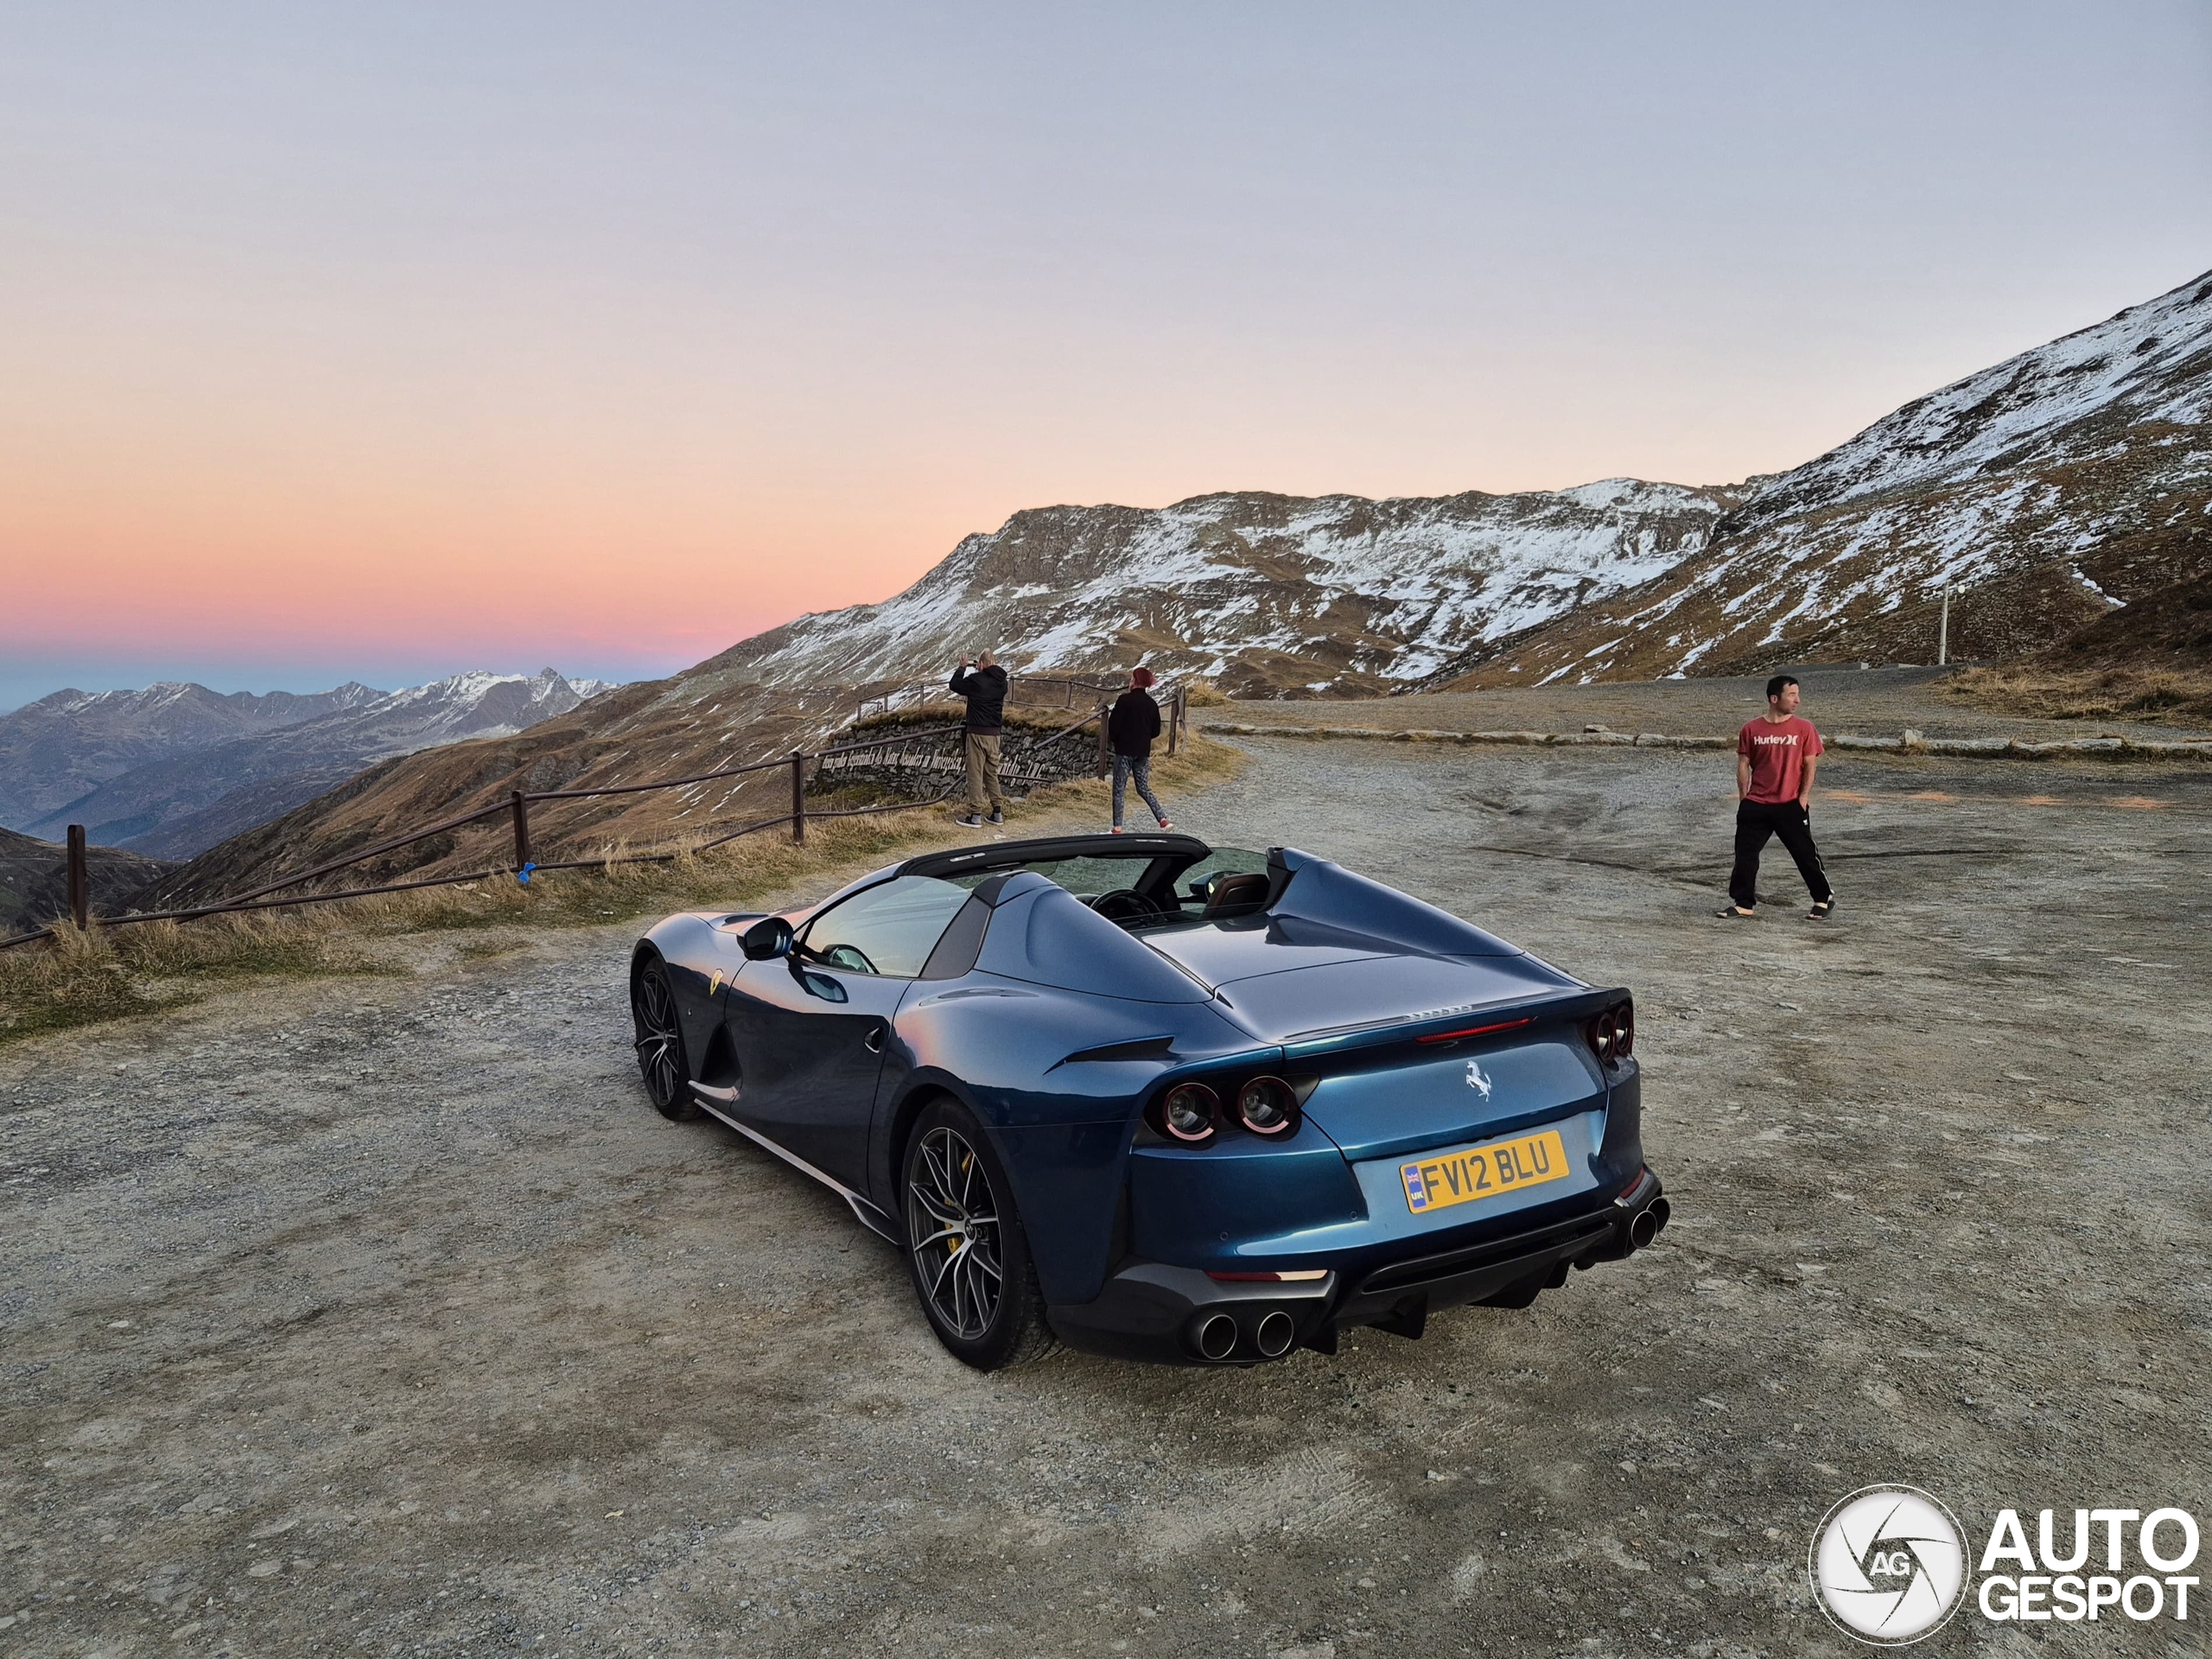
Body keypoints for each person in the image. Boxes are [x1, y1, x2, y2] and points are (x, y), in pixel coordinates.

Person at [1719, 674, 1834, 920]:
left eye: (1797, 694)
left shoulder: (1805, 728)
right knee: (1745, 856)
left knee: (1805, 855)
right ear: (1774, 698)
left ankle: (1823, 899)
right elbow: (1744, 763)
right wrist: (1744, 799)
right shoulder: (1751, 728)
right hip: (1756, 804)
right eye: (1791, 695)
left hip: (1790, 804)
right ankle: (1743, 903)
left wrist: (1803, 797)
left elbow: (1809, 765)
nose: (1797, 700)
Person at [1107, 667, 1173, 835]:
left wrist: (1116, 740)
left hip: (1124, 751)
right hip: (1143, 752)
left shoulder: (1124, 700)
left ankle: (1117, 828)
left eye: (1131, 679)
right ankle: (1163, 820)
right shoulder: (1152, 704)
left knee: (1119, 789)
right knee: (1143, 788)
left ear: (1135, 681)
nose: (1130, 682)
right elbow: (1156, 731)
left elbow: (1113, 726)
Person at [950, 651, 1009, 827]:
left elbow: (955, 685)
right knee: (991, 773)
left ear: (981, 664)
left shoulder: (976, 680)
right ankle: (997, 812)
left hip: (977, 732)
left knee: (975, 773)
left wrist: (962, 667)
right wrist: (982, 670)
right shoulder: (1002, 683)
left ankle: (975, 815)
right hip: (994, 734)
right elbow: (989, 680)